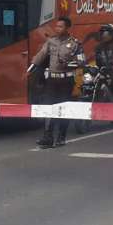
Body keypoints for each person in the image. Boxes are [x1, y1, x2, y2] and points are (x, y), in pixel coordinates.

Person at [27, 16, 84, 148]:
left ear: (67, 28)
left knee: (63, 109)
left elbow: (81, 61)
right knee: (49, 108)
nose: (57, 29)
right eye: (56, 26)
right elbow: (41, 55)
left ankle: (61, 137)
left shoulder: (75, 44)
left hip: (66, 80)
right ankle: (47, 137)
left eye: (60, 26)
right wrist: (30, 69)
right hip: (52, 80)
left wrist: (70, 63)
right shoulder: (51, 41)